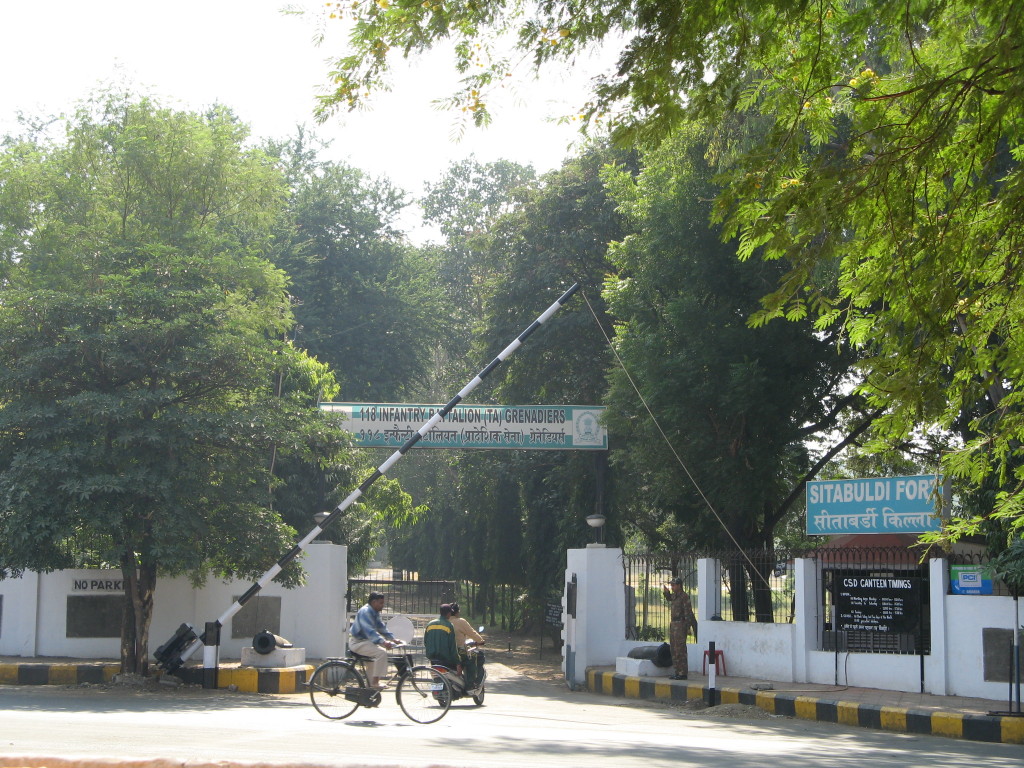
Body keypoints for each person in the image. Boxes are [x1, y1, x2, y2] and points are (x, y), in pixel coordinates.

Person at [348, 591, 398, 689]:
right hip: (358, 643)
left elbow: (381, 627)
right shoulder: (365, 612)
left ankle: (369, 691)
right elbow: (370, 631)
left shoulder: (374, 612)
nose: (382, 605)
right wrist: (384, 642)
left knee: (373, 663)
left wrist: (393, 639)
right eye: (381, 603)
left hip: (366, 642)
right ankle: (375, 682)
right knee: (381, 653)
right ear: (374, 602)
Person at [662, 577, 697, 680]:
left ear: (679, 585)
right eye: (671, 585)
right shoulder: (675, 596)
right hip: (674, 624)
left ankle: (682, 672)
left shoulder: (684, 597)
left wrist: (687, 627)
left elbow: (688, 612)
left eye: (673, 585)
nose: (672, 587)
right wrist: (666, 593)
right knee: (674, 648)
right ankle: (677, 671)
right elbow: (669, 598)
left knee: (680, 649)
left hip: (681, 624)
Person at [449, 602, 485, 689]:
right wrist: (481, 641)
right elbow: (472, 633)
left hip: (444, 652)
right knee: (473, 658)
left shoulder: (443, 622)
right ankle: (471, 684)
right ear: (457, 612)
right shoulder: (460, 621)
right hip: (459, 651)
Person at [423, 603, 462, 677]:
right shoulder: (449, 625)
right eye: (450, 612)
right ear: (448, 613)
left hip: (433, 659)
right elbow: (452, 646)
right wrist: (458, 663)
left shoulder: (430, 624)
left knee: (436, 677)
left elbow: (425, 642)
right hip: (446, 660)